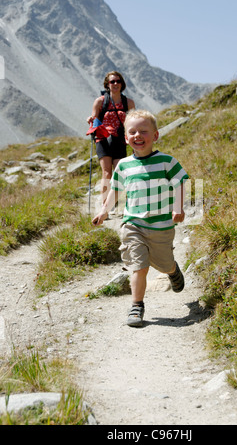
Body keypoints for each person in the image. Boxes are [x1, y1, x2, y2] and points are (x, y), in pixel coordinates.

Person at [92, 109, 188, 327]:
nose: (137, 135)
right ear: (126, 138)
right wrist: (103, 211)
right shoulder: (124, 165)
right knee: (138, 265)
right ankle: (137, 306)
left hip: (162, 225)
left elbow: (181, 182)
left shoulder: (167, 162)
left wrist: (178, 206)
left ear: (155, 136)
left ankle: (172, 270)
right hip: (133, 223)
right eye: (132, 132)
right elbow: (114, 190)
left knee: (163, 264)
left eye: (143, 131)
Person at [87, 71, 135, 205]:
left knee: (120, 173)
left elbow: (133, 121)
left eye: (118, 81)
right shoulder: (100, 101)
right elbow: (94, 119)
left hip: (120, 140)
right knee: (106, 173)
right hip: (103, 139)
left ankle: (122, 203)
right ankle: (105, 206)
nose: (115, 84)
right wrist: (90, 120)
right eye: (112, 81)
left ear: (122, 84)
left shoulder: (129, 103)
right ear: (107, 84)